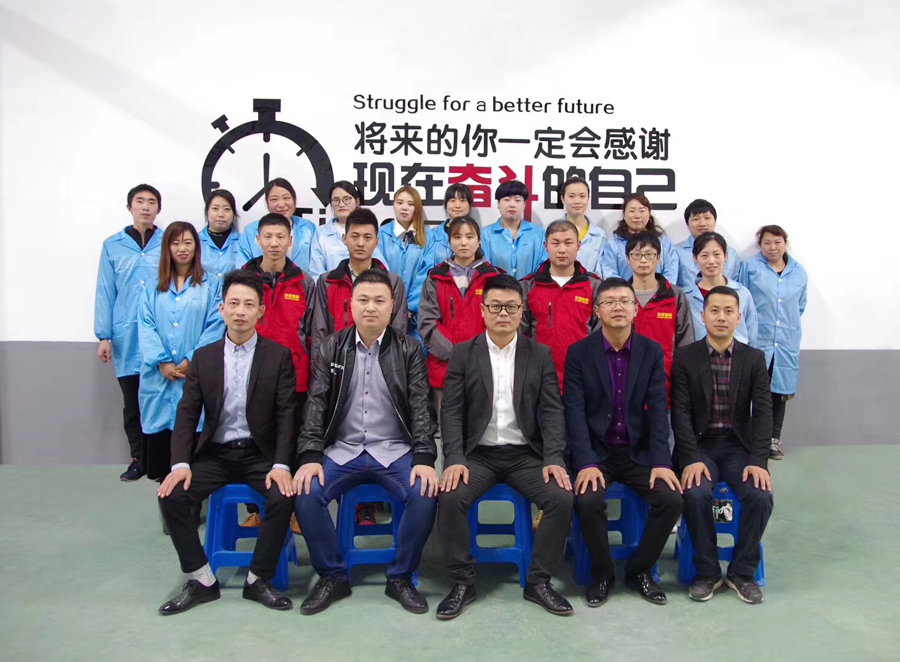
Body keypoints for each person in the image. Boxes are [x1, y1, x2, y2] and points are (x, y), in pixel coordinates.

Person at [293, 270, 439, 615]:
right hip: (343, 450)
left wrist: (424, 457)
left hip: (394, 450)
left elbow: (421, 405)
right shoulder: (331, 346)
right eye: (363, 300)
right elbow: (316, 403)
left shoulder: (409, 349)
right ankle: (332, 576)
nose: (370, 307)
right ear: (350, 304)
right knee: (306, 491)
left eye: (379, 300)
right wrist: (310, 454)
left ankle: (400, 576)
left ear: (392, 306)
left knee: (424, 492)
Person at [156, 270, 297, 615]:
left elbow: (287, 416)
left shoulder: (278, 356)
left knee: (283, 497)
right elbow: (187, 413)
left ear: (260, 311)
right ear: (222, 309)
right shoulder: (204, 357)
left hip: (259, 453)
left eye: (249, 305)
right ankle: (202, 578)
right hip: (216, 455)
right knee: (171, 496)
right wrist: (180, 464)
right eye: (233, 303)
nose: (240, 311)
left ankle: (258, 578)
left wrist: (282, 464)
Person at [436, 275, 574, 620]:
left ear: (522, 311)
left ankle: (538, 582)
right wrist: (454, 458)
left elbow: (552, 411)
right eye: (495, 306)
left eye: (511, 307)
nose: (503, 313)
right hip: (477, 455)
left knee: (560, 498)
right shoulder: (463, 353)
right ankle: (462, 583)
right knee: (450, 497)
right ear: (482, 310)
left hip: (525, 455)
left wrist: (553, 457)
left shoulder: (538, 354)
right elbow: (451, 411)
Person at [564, 278, 683, 608]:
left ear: (635, 309)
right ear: (597, 311)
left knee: (671, 499)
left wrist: (661, 461)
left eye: (625, 301)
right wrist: (586, 462)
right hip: (596, 452)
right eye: (610, 302)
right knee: (587, 501)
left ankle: (638, 570)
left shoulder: (651, 352)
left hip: (637, 452)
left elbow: (658, 410)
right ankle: (603, 574)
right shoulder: (579, 353)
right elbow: (574, 412)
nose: (618, 307)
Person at [671, 286, 773, 604]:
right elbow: (680, 413)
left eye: (729, 311)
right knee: (695, 493)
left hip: (738, 448)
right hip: (700, 448)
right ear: (703, 316)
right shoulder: (685, 358)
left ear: (738, 317)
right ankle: (708, 572)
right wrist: (689, 457)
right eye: (714, 310)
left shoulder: (753, 359)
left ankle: (742, 572)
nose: (721, 317)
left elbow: (764, 413)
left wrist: (758, 460)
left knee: (760, 495)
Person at [138, 222, 224, 480]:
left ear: (196, 247)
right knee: (161, 457)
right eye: (175, 243)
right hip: (159, 376)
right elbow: (145, 325)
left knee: (193, 444)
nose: (182, 249)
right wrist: (161, 362)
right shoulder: (152, 286)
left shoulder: (211, 285)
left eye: (188, 242)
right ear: (167, 248)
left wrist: (192, 359)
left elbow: (215, 325)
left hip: (194, 373)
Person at [95, 183, 164, 481]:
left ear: (158, 209)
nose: (146, 207)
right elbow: (105, 290)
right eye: (140, 201)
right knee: (133, 403)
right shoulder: (113, 245)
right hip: (126, 335)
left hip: (161, 333)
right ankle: (139, 459)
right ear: (129, 207)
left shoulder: (168, 242)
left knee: (160, 400)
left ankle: (160, 460)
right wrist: (104, 336)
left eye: (152, 202)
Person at [418, 216, 502, 424]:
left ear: (479, 241)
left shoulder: (493, 277)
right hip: (443, 369)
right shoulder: (436, 277)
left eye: (469, 236)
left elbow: (497, 321)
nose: (463, 242)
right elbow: (428, 322)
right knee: (446, 429)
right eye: (457, 237)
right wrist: (456, 354)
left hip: (483, 367)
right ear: (449, 241)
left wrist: (475, 354)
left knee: (481, 430)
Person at [739, 225, 807, 460]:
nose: (773, 247)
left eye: (777, 242)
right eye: (767, 243)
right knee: (752, 390)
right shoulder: (749, 267)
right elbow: (741, 300)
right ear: (760, 245)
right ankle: (749, 438)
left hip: (786, 342)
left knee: (779, 393)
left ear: (785, 244)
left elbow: (800, 306)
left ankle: (772, 440)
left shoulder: (798, 272)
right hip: (758, 340)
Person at [241, 213, 314, 429]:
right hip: (250, 371)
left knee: (291, 434)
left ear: (290, 241)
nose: (274, 243)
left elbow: (311, 332)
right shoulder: (243, 280)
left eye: (280, 237)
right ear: (258, 240)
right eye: (268, 236)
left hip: (295, 374)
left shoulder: (304, 281)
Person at [309, 208, 408, 358]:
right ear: (344, 239)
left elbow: (398, 331)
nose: (360, 243)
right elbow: (319, 331)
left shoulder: (392, 282)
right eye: (354, 237)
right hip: (337, 363)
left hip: (380, 362)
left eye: (367, 237)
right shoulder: (327, 281)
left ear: (377, 241)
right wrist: (320, 368)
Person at [519, 220, 602, 391]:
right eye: (555, 243)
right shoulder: (528, 285)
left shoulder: (594, 286)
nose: (562, 249)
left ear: (578, 246)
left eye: (568, 243)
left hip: (582, 378)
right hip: (539, 378)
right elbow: (521, 333)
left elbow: (600, 334)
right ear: (545, 246)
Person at [626, 231, 694, 397]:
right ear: (628, 259)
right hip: (624, 388)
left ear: (658, 259)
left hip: (665, 388)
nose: (643, 260)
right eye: (636, 255)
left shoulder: (674, 296)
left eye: (649, 254)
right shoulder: (619, 297)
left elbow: (686, 344)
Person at [411, 183, 475, 315]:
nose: (457, 205)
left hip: (470, 303)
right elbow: (425, 272)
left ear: (469, 205)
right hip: (438, 303)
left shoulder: (478, 236)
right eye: (453, 200)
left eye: (462, 200)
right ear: (446, 205)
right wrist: (412, 305)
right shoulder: (433, 236)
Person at [683, 232, 758, 345]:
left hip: (737, 354)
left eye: (717, 254)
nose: (711, 261)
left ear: (725, 256)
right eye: (704, 255)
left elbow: (752, 334)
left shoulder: (742, 293)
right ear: (695, 258)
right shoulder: (686, 297)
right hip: (698, 354)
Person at [378, 186, 428, 339]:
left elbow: (426, 272)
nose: (404, 207)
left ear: (417, 208)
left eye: (410, 204)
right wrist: (393, 305)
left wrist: (410, 306)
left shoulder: (428, 236)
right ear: (394, 205)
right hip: (386, 308)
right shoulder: (381, 234)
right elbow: (380, 269)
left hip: (416, 314)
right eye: (400, 203)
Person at [308, 180, 387, 279]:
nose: (341, 204)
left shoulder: (369, 230)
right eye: (336, 200)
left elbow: (382, 268)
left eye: (346, 199)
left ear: (357, 202)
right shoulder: (321, 233)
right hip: (332, 287)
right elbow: (316, 273)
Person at [238, 178, 316, 272]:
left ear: (294, 200)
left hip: (300, 280)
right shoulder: (250, 231)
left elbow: (315, 266)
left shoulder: (308, 228)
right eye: (274, 199)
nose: (281, 204)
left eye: (286, 198)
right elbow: (242, 268)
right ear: (267, 203)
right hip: (258, 281)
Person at [601, 193, 679, 283]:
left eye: (642, 211)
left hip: (660, 291)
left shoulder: (664, 242)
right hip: (622, 291)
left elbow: (671, 272)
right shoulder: (613, 243)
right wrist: (626, 290)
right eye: (632, 211)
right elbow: (610, 273)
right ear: (624, 215)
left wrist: (659, 289)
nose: (637, 216)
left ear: (649, 214)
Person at [480, 180, 547, 278]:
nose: (512, 204)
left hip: (531, 287)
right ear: (498, 203)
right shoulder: (485, 234)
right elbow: (483, 268)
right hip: (495, 287)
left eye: (517, 200)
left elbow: (543, 266)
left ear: (524, 204)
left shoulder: (538, 233)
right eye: (507, 200)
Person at [674, 199, 741, 288]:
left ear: (715, 221)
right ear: (687, 225)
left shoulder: (731, 253)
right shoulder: (675, 252)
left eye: (707, 218)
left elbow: (737, 286)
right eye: (696, 219)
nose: (702, 224)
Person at [557, 175, 606, 276]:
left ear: (588, 198)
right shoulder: (550, 231)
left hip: (589, 285)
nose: (577, 201)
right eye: (571, 196)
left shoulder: (600, 236)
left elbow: (600, 272)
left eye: (582, 196)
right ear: (562, 199)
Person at [199, 189, 243, 283]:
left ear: (233, 213)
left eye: (227, 209)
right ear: (207, 211)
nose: (221, 214)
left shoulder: (243, 242)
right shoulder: (195, 241)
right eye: (215, 208)